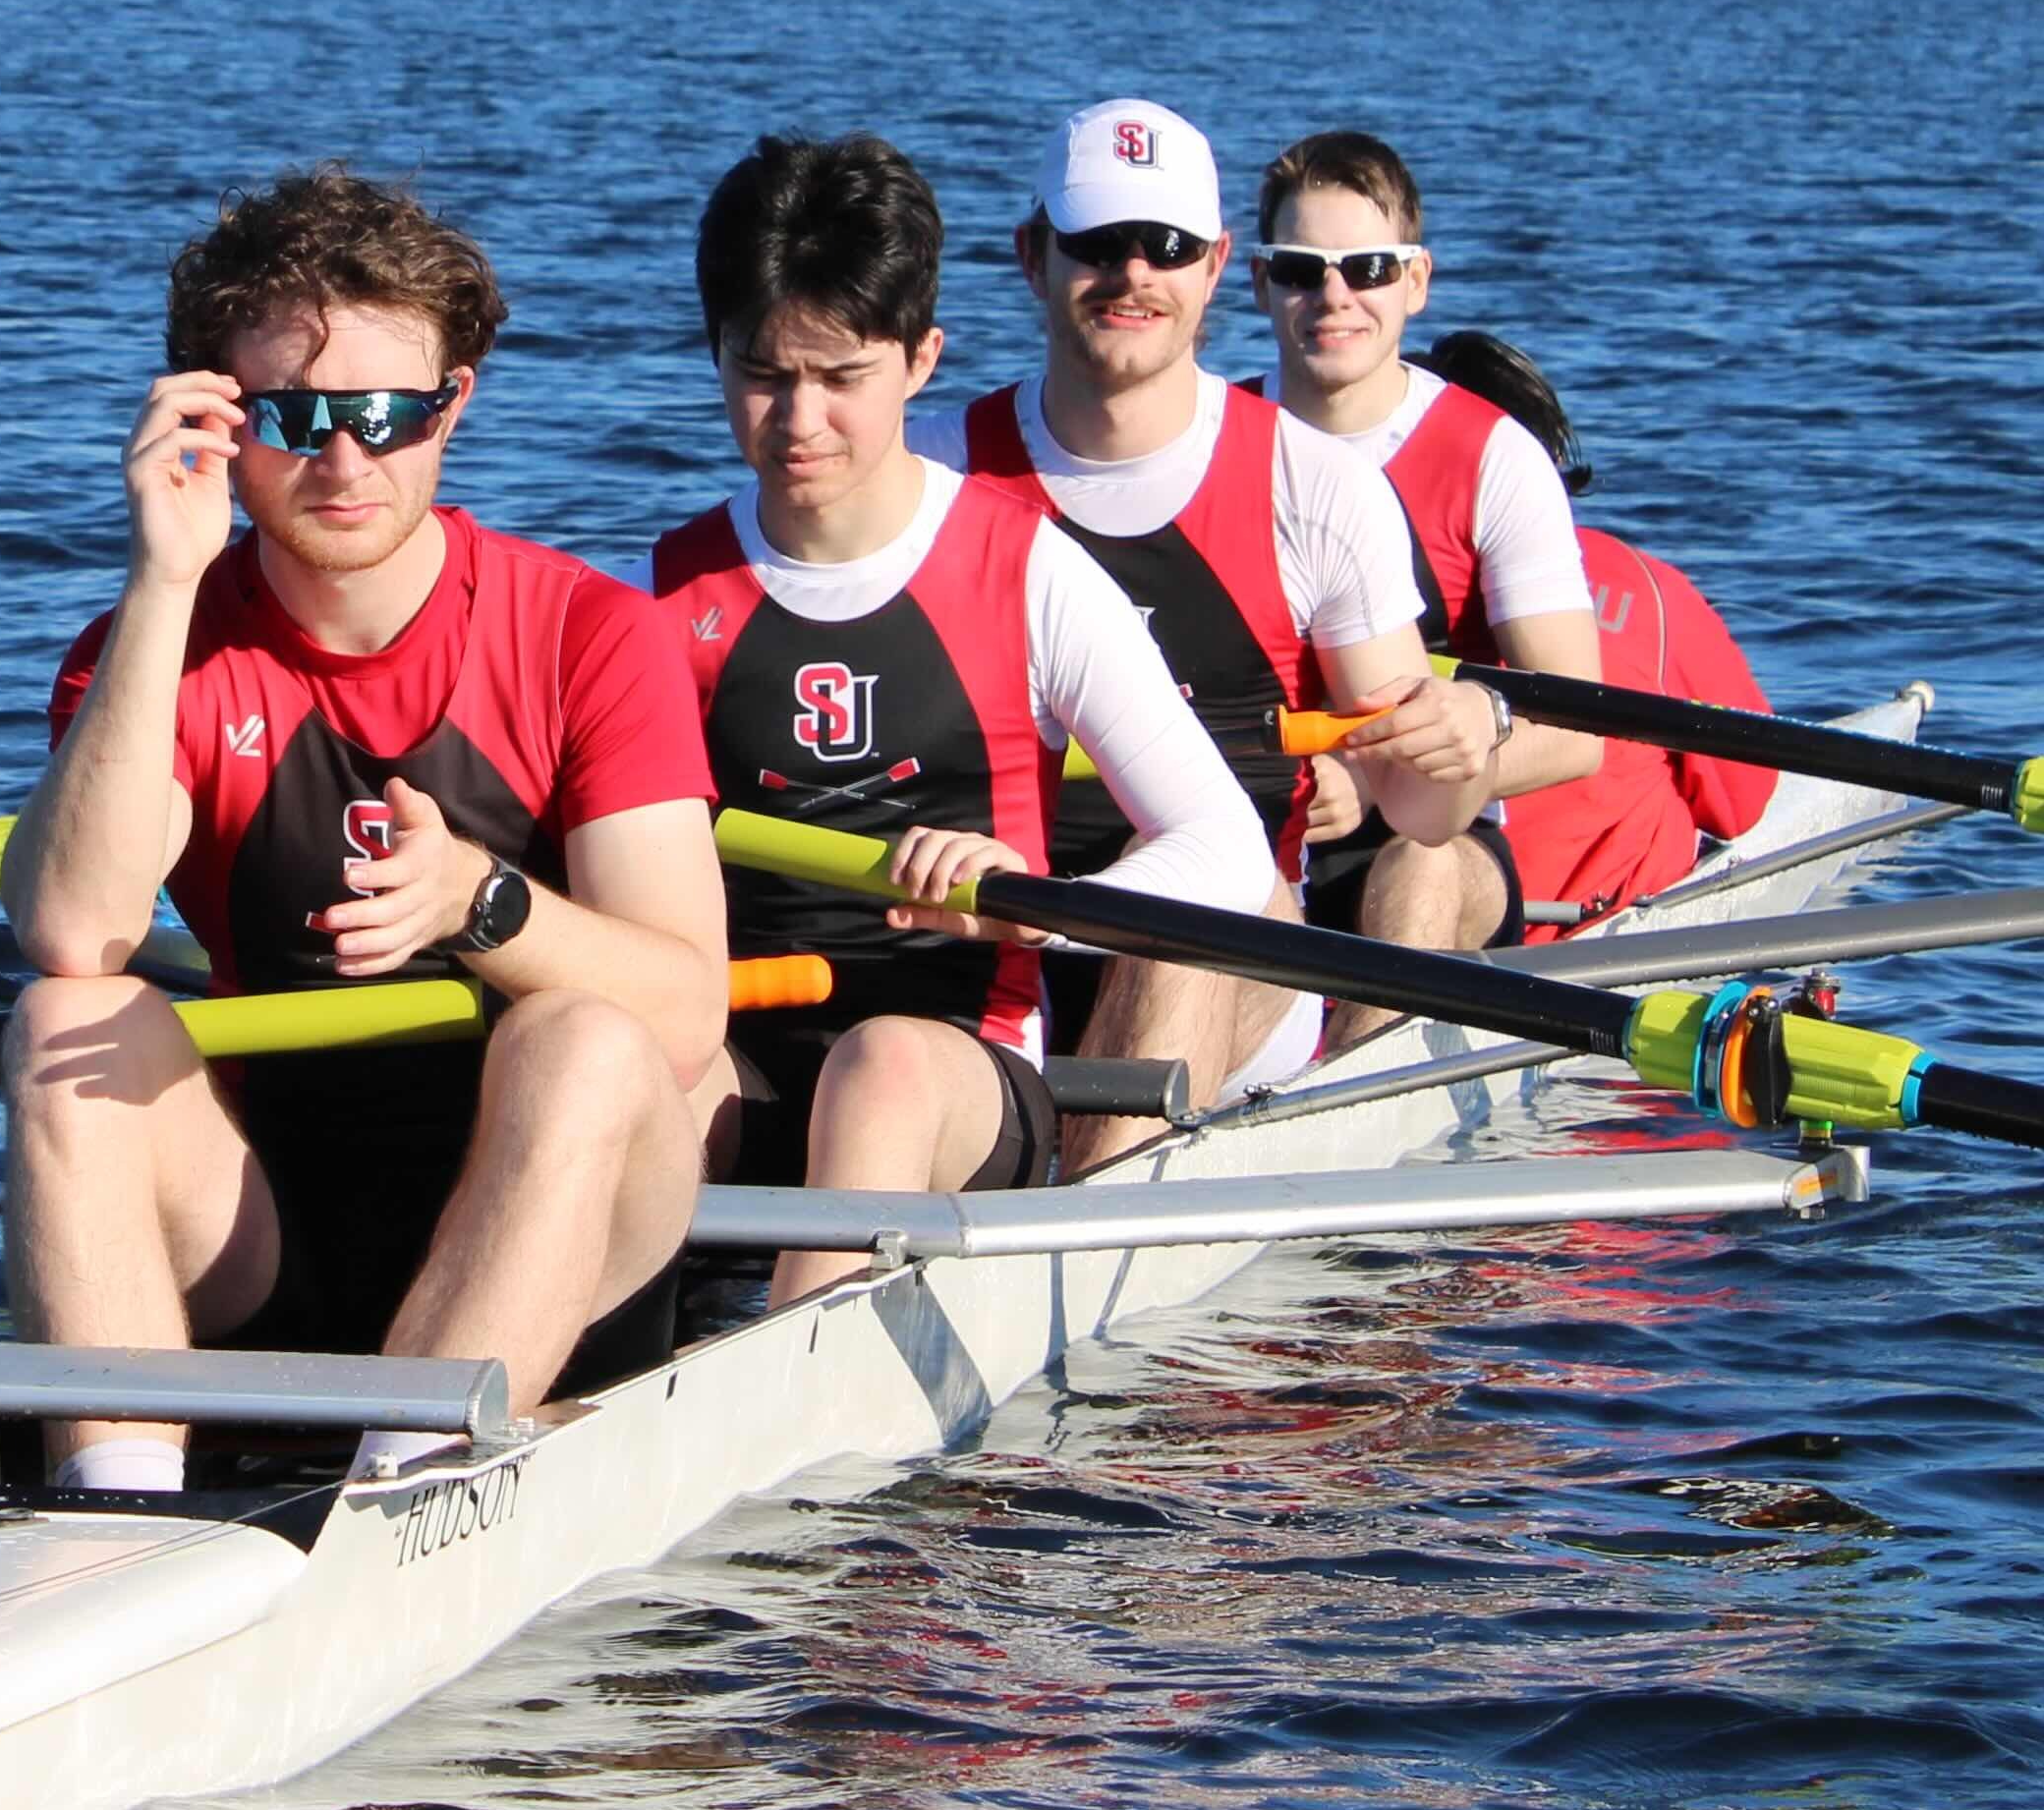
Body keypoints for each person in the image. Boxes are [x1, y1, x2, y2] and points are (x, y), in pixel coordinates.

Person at [0, 165, 731, 1490]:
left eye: (387, 416)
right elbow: (73, 928)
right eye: (296, 416)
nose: (344, 461)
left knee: (578, 1035)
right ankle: (112, 1509)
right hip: (269, 1227)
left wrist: (480, 905)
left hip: (563, 1229)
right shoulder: (150, 649)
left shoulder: (593, 634)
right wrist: (163, 577)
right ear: (215, 419)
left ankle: (411, 1484)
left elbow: (685, 1012)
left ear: (455, 403)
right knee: (64, 1020)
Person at [648, 135, 1273, 1288]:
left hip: (959, 1071)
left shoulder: (1028, 571)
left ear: (921, 359)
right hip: (744, 1050)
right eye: (763, 373)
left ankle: (802, 1380)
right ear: (716, 353)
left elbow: (1227, 850)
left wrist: (1039, 908)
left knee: (879, 1070)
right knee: (611, 1070)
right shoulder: (666, 589)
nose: (799, 421)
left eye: (842, 378)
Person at [958, 94, 1487, 1099]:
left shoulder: (1316, 491)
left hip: (1238, 961)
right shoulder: (937, 472)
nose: (1133, 275)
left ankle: (1102, 1178)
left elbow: (1422, 810)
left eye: (1167, 246)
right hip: (982, 947)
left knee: (1185, 898)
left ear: (1214, 266)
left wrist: (1462, 744)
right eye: (1098, 243)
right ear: (1033, 256)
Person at [1249, 130, 1615, 998]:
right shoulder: (1212, 441)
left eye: (1368, 269)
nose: (1334, 298)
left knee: (1422, 863)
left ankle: (1367, 1066)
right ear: (1260, 283)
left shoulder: (1493, 457)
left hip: (1435, 836)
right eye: (1301, 271)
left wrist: (1378, 779)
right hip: (1257, 817)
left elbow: (1581, 729)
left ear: (1415, 282)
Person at [1416, 328, 1785, 918]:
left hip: (1402, 919)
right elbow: (1745, 800)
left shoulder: (1340, 589)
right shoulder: (1648, 590)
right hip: (1584, 928)